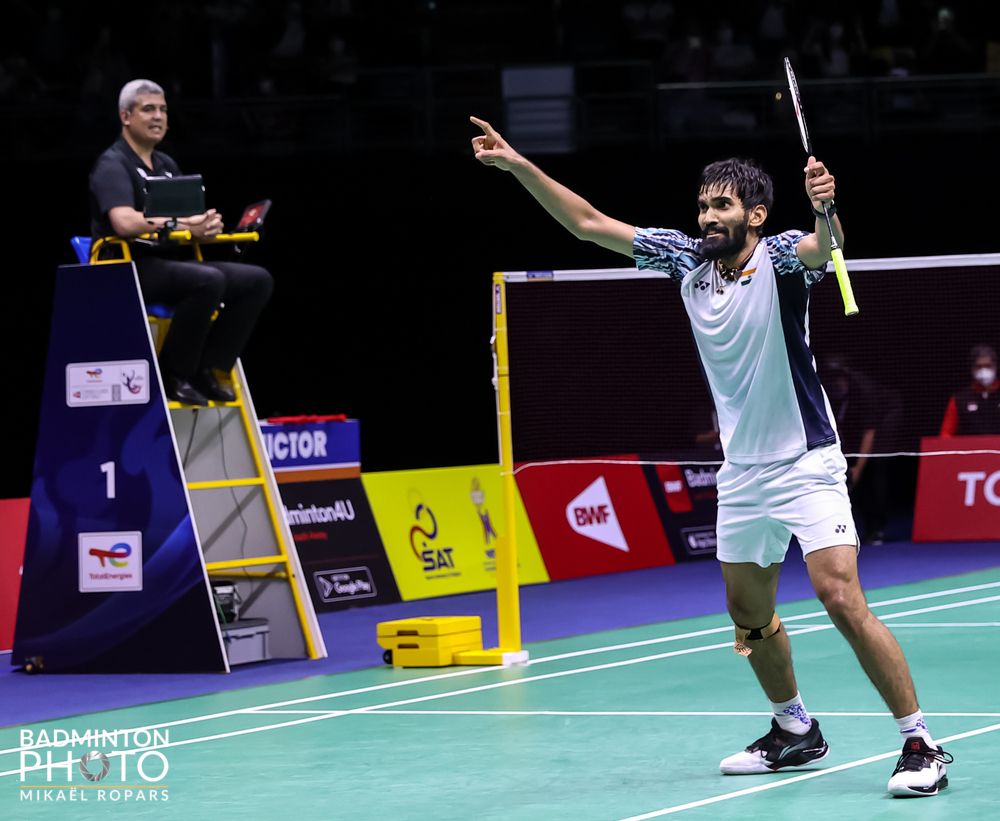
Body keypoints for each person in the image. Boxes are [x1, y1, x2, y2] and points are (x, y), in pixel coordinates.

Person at [469, 115, 952, 797]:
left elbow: (824, 247)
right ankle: (794, 729)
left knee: (838, 592)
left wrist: (827, 207)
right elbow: (585, 222)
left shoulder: (780, 256)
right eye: (702, 204)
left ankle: (919, 740)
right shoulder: (682, 259)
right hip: (744, 471)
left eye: (722, 204)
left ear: (756, 213)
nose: (707, 215)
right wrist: (518, 164)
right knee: (749, 614)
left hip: (806, 458)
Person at [89, 79, 273, 405]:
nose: (158, 116)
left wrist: (206, 225)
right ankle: (174, 373)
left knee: (256, 280)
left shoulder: (166, 165)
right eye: (148, 109)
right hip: (127, 268)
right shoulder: (112, 165)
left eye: (162, 109)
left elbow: (188, 223)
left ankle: (210, 367)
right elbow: (123, 221)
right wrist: (184, 223)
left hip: (169, 264)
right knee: (208, 280)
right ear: (126, 116)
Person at [939, 344, 1000, 436]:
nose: (983, 370)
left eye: (988, 366)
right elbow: (946, 434)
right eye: (979, 366)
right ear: (972, 369)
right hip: (970, 449)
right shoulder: (959, 400)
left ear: (995, 366)